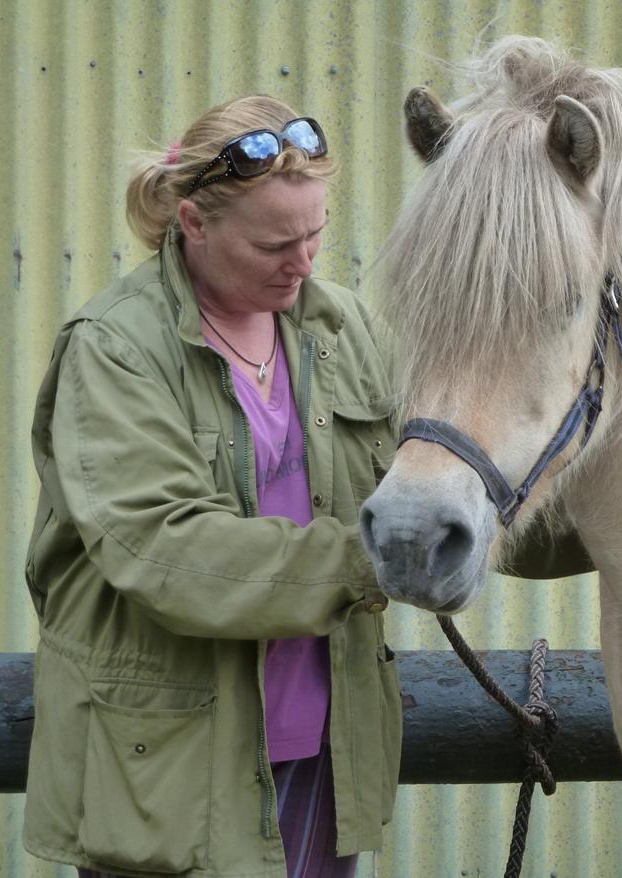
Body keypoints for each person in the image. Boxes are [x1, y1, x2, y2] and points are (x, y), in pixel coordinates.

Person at [22, 95, 401, 877]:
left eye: (315, 235)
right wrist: (375, 560)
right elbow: (164, 550)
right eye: (274, 245)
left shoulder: (344, 329)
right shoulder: (116, 349)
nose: (303, 263)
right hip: (172, 765)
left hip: (325, 747)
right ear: (194, 224)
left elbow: (423, 484)